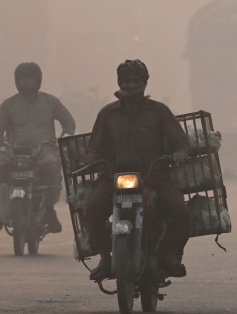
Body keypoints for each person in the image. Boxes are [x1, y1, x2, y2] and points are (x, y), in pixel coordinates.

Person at [82, 60, 193, 282]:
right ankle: (105, 258)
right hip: (114, 178)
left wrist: (180, 152)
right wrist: (92, 160)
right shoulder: (107, 114)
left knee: (181, 212)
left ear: (144, 82)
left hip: (155, 176)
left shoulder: (159, 111)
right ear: (119, 82)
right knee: (91, 210)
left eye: (136, 80)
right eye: (126, 81)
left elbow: (180, 142)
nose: (131, 85)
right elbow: (93, 147)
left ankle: (169, 255)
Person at [0, 62, 75, 233]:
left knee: (50, 165)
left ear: (38, 81)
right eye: (22, 80)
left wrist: (66, 137)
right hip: (14, 151)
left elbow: (68, 122)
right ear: (17, 82)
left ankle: (49, 211)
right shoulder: (8, 105)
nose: (26, 83)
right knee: (1, 168)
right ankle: (1, 213)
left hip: (44, 150)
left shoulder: (51, 102)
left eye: (30, 79)